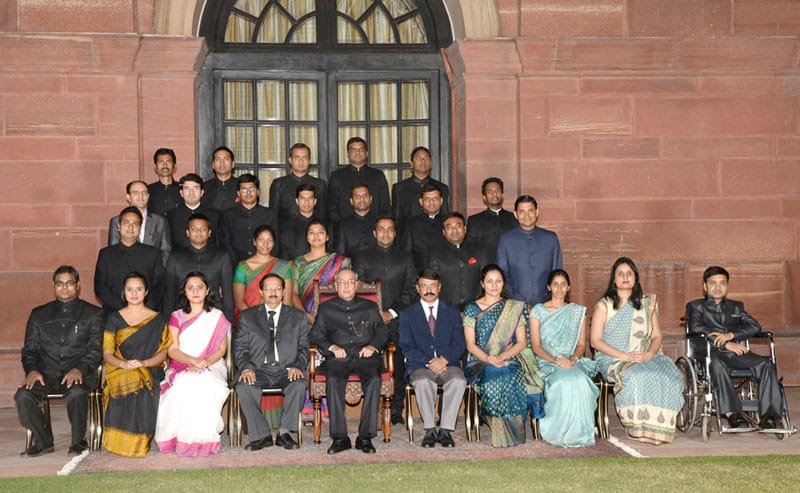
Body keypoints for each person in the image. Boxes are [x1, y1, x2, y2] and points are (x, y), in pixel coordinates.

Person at [590, 257, 683, 445]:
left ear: (635, 278)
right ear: (614, 280)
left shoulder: (646, 305)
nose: (625, 277)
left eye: (629, 273)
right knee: (637, 376)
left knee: (665, 374)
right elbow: (595, 341)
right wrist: (625, 356)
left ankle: (659, 430)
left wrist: (648, 354)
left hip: (645, 355)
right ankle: (637, 428)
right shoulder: (605, 305)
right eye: (620, 274)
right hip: (612, 357)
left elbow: (657, 337)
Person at [16, 265, 103, 457]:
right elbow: (30, 349)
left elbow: (96, 349)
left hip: (79, 374)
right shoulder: (39, 314)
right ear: (53, 285)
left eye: (69, 283)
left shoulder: (93, 314)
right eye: (60, 283)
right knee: (23, 396)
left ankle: (79, 442)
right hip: (46, 374)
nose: (64, 288)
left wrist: (80, 369)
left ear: (78, 286)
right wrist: (32, 370)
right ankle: (44, 441)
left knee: (77, 393)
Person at [686, 266, 784, 430]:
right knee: (717, 364)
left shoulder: (736, 307)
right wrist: (725, 343)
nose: (718, 287)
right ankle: (732, 413)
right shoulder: (696, 307)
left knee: (766, 364)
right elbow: (697, 328)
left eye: (722, 283)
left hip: (736, 354)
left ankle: (769, 416)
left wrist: (731, 335)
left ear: (727, 286)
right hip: (710, 354)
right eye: (713, 283)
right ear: (705, 286)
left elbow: (754, 326)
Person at [463, 264, 544, 448]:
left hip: (510, 358)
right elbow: (470, 345)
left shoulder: (513, 307)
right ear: (482, 283)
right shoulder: (472, 308)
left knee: (510, 374)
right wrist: (490, 359)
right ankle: (500, 433)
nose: (494, 285)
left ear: (503, 283)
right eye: (489, 281)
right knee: (494, 377)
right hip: (480, 361)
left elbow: (522, 342)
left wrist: (502, 357)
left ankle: (513, 433)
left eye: (498, 281)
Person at [311, 268, 388, 454]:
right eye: (342, 283)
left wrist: (373, 346)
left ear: (356, 285)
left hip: (366, 357)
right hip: (339, 359)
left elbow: (382, 331)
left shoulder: (369, 307)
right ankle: (340, 438)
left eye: (350, 282)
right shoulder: (326, 308)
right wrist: (331, 347)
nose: (346, 286)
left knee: (374, 380)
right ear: (336, 286)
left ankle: (365, 437)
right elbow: (315, 333)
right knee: (333, 380)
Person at [155, 272, 230, 456]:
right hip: (182, 365)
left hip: (212, 365)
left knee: (205, 384)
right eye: (190, 288)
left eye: (200, 287)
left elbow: (221, 350)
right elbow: (172, 350)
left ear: (207, 291)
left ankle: (203, 440)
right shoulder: (176, 316)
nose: (195, 291)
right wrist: (193, 361)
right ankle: (182, 439)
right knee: (184, 385)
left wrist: (204, 363)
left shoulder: (217, 316)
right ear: (184, 292)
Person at [352, 216, 417, 424]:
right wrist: (374, 313)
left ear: (395, 233)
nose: (386, 233)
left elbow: (411, 288)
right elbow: (358, 288)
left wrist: (391, 312)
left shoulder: (405, 257)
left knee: (396, 364)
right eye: (381, 229)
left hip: (397, 319)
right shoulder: (362, 257)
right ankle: (371, 409)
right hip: (367, 321)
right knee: (370, 363)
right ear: (374, 233)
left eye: (390, 230)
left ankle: (396, 410)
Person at [234, 273, 310, 451]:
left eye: (277, 288)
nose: (273, 292)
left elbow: (304, 348)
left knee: (298, 384)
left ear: (284, 292)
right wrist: (246, 369)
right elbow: (240, 349)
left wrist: (297, 366)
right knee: (244, 386)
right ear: (261, 292)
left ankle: (284, 433)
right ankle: (262, 436)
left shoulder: (297, 317)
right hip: (258, 369)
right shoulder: (248, 316)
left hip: (287, 369)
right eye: (268, 288)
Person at [101, 272, 170, 457]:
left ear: (146, 292)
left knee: (140, 379)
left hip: (150, 368)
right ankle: (119, 441)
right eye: (129, 289)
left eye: (139, 289)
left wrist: (143, 363)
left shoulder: (158, 319)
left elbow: (163, 352)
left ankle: (139, 442)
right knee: (129, 377)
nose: (134, 293)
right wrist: (123, 364)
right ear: (123, 292)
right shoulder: (114, 319)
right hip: (119, 368)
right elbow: (107, 353)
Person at [529, 269, 598, 448]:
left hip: (571, 361)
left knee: (581, 381)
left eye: (563, 285)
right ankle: (559, 432)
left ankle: (580, 432)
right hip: (547, 362)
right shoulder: (538, 311)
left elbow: (582, 345)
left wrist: (572, 360)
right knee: (562, 383)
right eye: (555, 285)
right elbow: (536, 346)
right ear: (549, 287)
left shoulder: (577, 312)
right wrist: (555, 360)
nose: (559, 289)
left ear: (569, 287)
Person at [398, 270, 466, 448]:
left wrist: (443, 360)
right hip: (420, 365)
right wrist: (429, 361)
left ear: (440, 287)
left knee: (458, 380)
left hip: (448, 364)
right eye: (424, 286)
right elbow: (406, 346)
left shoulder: (452, 312)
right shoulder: (407, 314)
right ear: (417, 289)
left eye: (433, 285)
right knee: (422, 381)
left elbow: (459, 343)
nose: (429, 290)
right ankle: (429, 430)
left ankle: (445, 430)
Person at [164, 213, 234, 323]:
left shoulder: (222, 256)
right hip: (183, 315)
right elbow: (170, 295)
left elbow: (228, 296)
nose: (198, 232)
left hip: (213, 315)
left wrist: (229, 323)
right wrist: (167, 324)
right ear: (187, 232)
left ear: (209, 232)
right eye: (194, 229)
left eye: (203, 229)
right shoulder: (175, 257)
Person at [95, 207, 166, 314]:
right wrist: (124, 308)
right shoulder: (106, 254)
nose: (130, 227)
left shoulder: (153, 254)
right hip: (115, 315)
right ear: (119, 226)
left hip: (146, 315)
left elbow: (160, 286)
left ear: (140, 228)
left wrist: (144, 308)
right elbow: (100, 287)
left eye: (135, 224)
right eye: (126, 223)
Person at [496, 195, 562, 306]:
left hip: (547, 304)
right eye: (522, 211)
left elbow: (557, 272)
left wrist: (549, 298)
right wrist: (515, 298)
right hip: (515, 303)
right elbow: (502, 274)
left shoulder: (550, 238)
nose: (526, 215)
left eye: (530, 211)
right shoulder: (506, 240)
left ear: (537, 212)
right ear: (515, 214)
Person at [291, 220, 350, 319]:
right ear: (307, 237)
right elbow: (294, 293)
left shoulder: (340, 262)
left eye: (320, 232)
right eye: (311, 233)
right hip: (304, 317)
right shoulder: (299, 262)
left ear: (327, 237)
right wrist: (306, 316)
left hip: (334, 315)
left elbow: (346, 290)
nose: (316, 236)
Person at [233, 225, 294, 321]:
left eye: (269, 240)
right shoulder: (243, 267)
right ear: (254, 242)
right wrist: (256, 321)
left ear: (274, 243)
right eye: (261, 240)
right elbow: (239, 302)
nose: (265, 244)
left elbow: (287, 302)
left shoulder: (284, 266)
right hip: (250, 320)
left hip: (278, 320)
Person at [427, 212, 486, 308]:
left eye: (458, 226)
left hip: (476, 307)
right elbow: (433, 283)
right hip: (445, 308)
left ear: (465, 229)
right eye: (449, 227)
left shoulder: (479, 251)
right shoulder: (435, 254)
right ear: (444, 232)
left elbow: (486, 278)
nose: (454, 230)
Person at [219, 173, 280, 265]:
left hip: (264, 266)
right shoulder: (227, 216)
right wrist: (240, 264)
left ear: (258, 192)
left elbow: (277, 243)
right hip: (235, 266)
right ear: (238, 193)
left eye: (252, 189)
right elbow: (225, 244)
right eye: (244, 189)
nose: (248, 193)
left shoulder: (270, 215)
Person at [108, 180, 171, 266]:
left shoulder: (160, 221)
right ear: (128, 197)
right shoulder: (116, 221)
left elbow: (166, 251)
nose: (140, 196)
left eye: (144, 193)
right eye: (135, 193)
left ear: (148, 196)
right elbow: (113, 251)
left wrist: (157, 271)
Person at [327, 137, 390, 222]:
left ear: (366, 153)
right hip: (345, 227)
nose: (357, 153)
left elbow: (385, 205)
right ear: (348, 154)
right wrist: (342, 226)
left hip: (374, 227)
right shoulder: (337, 176)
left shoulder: (378, 175)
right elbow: (332, 207)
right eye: (353, 150)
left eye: (361, 150)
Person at [391, 146, 450, 234]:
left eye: (426, 158)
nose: (422, 161)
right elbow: (397, 218)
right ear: (412, 163)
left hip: (435, 236)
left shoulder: (442, 188)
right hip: (409, 236)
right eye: (418, 158)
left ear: (430, 163)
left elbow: (446, 217)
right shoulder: (400, 188)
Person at [269, 142, 327, 223]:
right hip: (286, 232)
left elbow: (323, 215)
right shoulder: (278, 184)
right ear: (290, 160)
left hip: (312, 233)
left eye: (304, 158)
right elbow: (273, 215)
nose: (301, 161)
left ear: (309, 161)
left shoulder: (320, 185)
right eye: (297, 158)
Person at [466, 177, 517, 263]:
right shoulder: (475, 221)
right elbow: (470, 248)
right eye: (490, 192)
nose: (494, 194)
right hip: (486, 269)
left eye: (497, 191)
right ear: (484, 197)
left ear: (502, 194)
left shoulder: (513, 218)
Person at [166, 173, 220, 251]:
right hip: (179, 259)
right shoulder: (171, 216)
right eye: (187, 189)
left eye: (195, 188)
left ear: (202, 192)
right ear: (181, 193)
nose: (191, 192)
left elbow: (217, 243)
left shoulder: (214, 215)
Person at [400, 183, 447, 270]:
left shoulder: (449, 222)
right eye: (427, 199)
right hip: (420, 275)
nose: (431, 202)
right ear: (421, 202)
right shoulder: (411, 224)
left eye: (435, 199)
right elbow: (406, 254)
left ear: (441, 201)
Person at [279, 183, 327, 261]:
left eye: (310, 198)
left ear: (315, 201)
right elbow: (285, 254)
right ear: (297, 201)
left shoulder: (325, 224)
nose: (306, 202)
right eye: (303, 198)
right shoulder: (287, 226)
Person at [334, 184, 378, 258]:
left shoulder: (380, 221)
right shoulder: (342, 224)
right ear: (351, 201)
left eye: (365, 196)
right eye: (357, 197)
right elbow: (340, 255)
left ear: (371, 199)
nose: (362, 199)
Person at [148, 148, 183, 218]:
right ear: (155, 167)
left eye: (168, 162)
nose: (165, 166)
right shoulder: (148, 190)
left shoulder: (183, 189)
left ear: (174, 167)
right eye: (161, 162)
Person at [204, 145, 239, 212]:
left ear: (233, 164)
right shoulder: (205, 188)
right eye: (218, 159)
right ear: (213, 165)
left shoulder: (241, 186)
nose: (222, 163)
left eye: (226, 159)